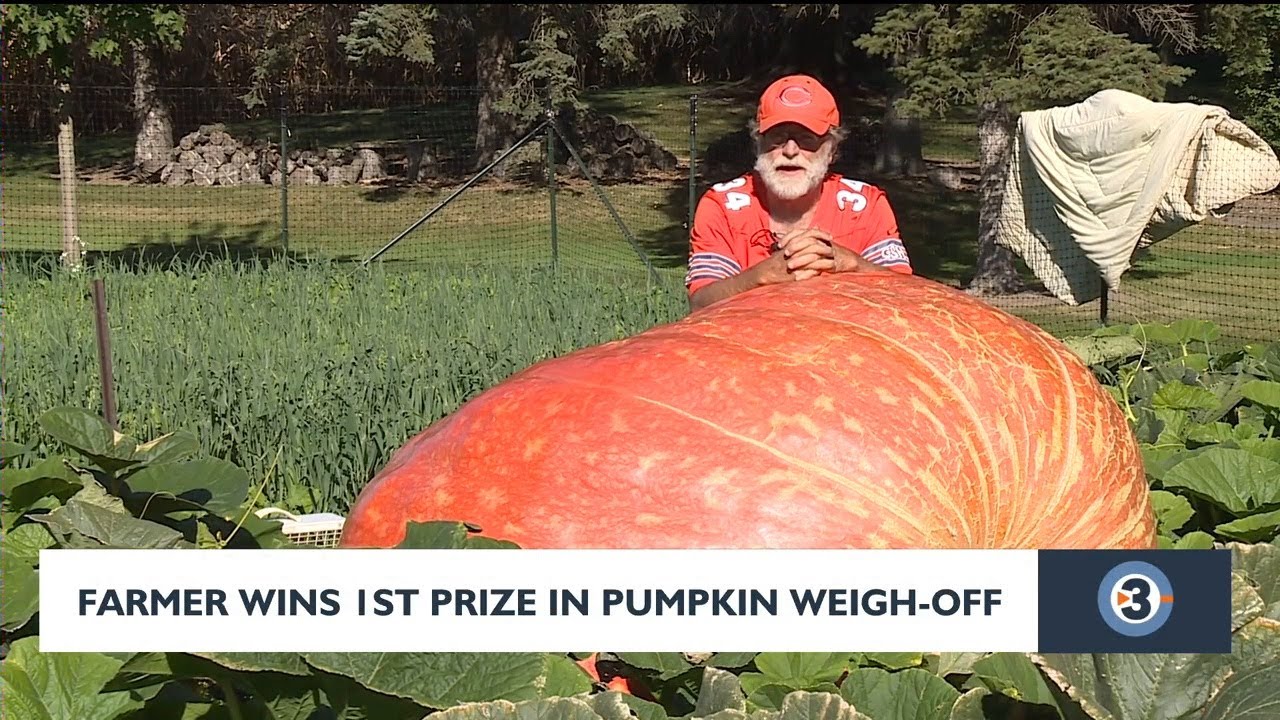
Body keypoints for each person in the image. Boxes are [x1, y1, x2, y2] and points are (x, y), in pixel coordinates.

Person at [685, 74, 914, 311]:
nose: (791, 150)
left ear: (832, 150)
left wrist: (851, 264)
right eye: (777, 138)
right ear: (758, 145)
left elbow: (910, 296)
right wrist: (760, 277)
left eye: (807, 139)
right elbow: (700, 303)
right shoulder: (721, 205)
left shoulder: (867, 205)